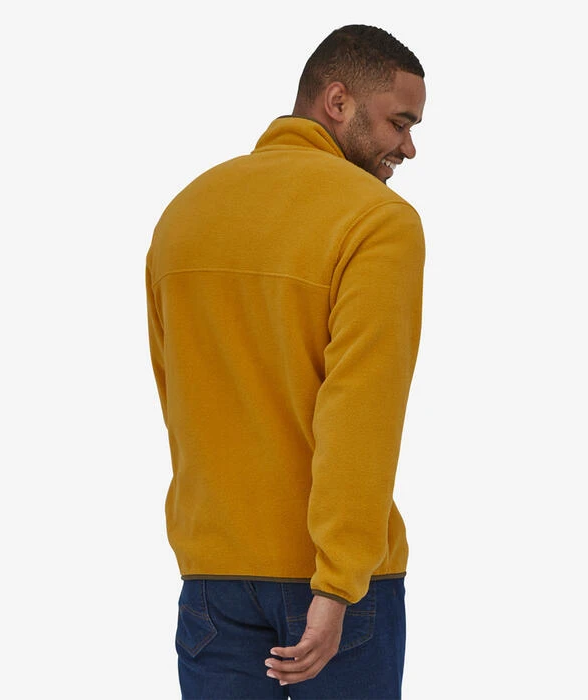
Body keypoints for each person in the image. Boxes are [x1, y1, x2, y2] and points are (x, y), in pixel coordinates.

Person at [146, 23, 426, 699]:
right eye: (400, 122)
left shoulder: (184, 213)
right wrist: (337, 582)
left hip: (212, 580)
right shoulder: (377, 220)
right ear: (338, 100)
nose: (409, 147)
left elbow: (176, 394)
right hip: (334, 588)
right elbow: (362, 411)